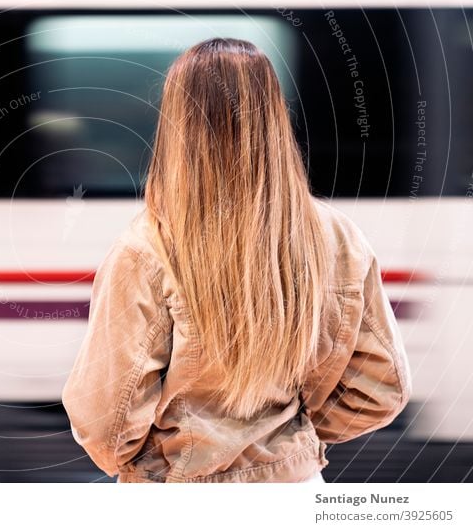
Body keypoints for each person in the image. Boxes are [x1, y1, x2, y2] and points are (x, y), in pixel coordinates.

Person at [61, 38, 412, 483]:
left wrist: (160, 464)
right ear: (273, 117)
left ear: (178, 124)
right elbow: (382, 388)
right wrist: (290, 439)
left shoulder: (146, 249)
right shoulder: (338, 237)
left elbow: (104, 424)